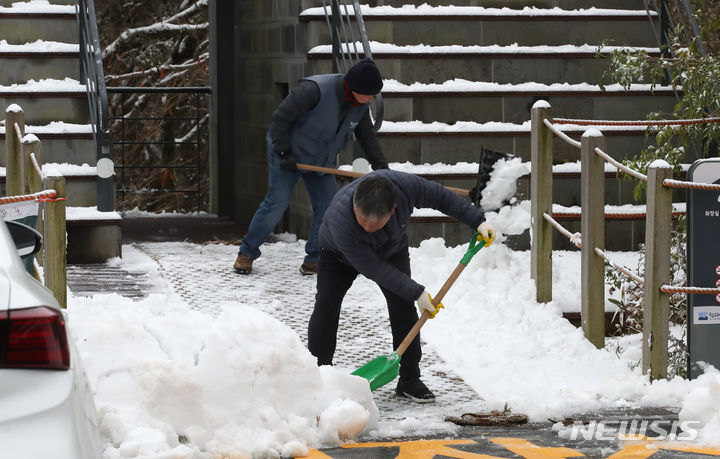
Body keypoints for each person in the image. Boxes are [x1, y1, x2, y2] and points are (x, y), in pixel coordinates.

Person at [307, 170, 496, 402]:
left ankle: (409, 378)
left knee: (403, 309)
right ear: (355, 203)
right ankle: (319, 375)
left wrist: (478, 221)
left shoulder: (406, 187)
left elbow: (442, 197)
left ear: (393, 209)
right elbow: (374, 268)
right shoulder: (342, 221)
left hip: (391, 249)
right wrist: (417, 292)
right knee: (326, 306)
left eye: (374, 224)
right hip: (338, 255)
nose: (366, 226)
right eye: (362, 220)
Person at [234, 58, 390, 276]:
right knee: (277, 202)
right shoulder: (315, 90)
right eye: (370, 93)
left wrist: (381, 165)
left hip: (320, 160)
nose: (372, 98)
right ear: (356, 88)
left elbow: (366, 136)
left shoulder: (360, 106)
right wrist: (283, 152)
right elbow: (281, 118)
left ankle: (314, 259)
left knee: (328, 205)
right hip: (287, 153)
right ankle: (247, 253)